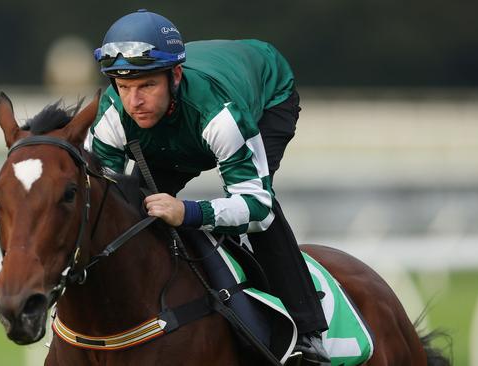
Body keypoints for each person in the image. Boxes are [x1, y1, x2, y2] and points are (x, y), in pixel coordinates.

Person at [86, 9, 330, 364]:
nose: (134, 101)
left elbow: (255, 207)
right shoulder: (113, 114)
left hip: (267, 96)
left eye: (146, 85)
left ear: (175, 76)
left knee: (263, 213)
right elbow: (103, 201)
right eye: (123, 87)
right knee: (134, 207)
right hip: (180, 126)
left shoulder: (221, 116)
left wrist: (188, 211)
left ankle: (308, 333)